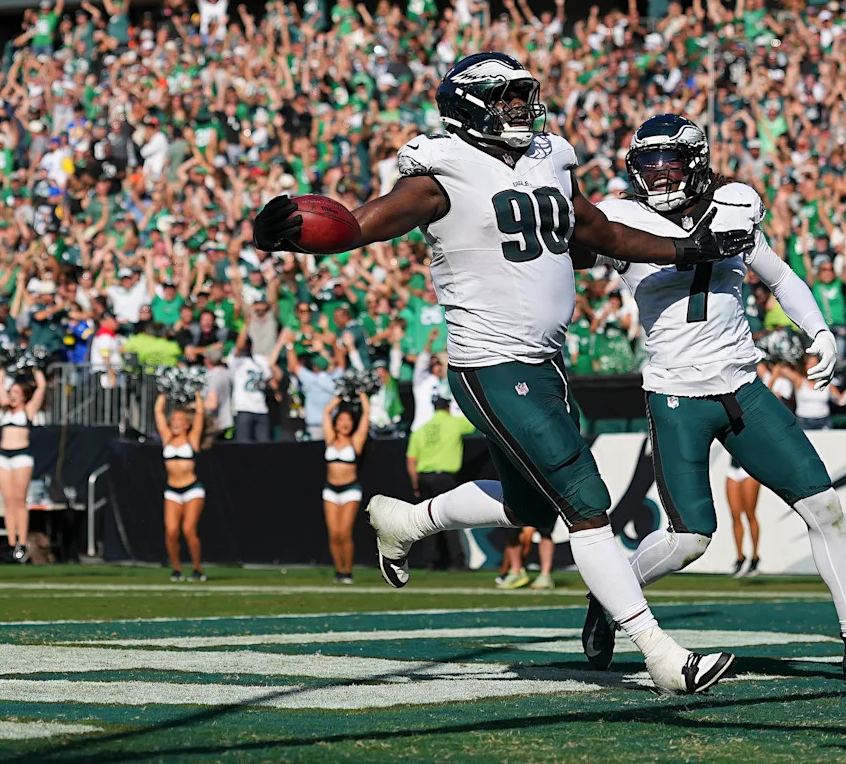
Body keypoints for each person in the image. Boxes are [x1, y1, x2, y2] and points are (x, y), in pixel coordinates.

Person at [252, 52, 752, 694]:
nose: (518, 105)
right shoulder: (440, 171)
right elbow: (360, 225)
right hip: (490, 363)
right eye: (502, 95)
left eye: (521, 92)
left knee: (527, 506)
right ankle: (661, 654)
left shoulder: (550, 156)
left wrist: (687, 248)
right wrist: (298, 233)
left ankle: (407, 522)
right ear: (466, 105)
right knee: (586, 503)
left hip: (544, 363)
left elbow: (601, 234)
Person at [582, 114, 846, 687]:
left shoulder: (734, 206)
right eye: (647, 165)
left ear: (696, 163)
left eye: (669, 163)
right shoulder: (622, 218)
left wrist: (820, 330)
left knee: (824, 507)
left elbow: (781, 277)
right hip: (676, 394)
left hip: (743, 387)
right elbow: (568, 253)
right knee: (690, 538)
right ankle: (610, 592)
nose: (658, 175)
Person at [406, 395, 476, 574]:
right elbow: (475, 423)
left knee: (428, 521)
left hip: (423, 477)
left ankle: (431, 562)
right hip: (444, 478)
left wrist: (415, 484)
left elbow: (411, 459)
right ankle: (457, 562)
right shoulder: (454, 423)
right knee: (450, 519)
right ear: (448, 409)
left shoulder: (421, 430)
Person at [0, 367, 47, 564]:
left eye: (17, 392)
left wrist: (34, 368)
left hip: (21, 456)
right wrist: (2, 369)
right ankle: (11, 543)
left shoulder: (28, 410)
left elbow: (41, 386)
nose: (12, 395)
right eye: (11, 392)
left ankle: (22, 543)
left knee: (19, 501)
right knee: (8, 502)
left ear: (24, 396)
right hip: (3, 456)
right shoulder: (5, 410)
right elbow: (0, 385)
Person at [155, 393, 207, 582]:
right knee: (171, 531)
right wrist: (163, 392)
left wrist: (198, 393)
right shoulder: (167, 438)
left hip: (192, 489)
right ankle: (176, 569)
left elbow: (200, 414)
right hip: (172, 491)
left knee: (189, 529)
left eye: (180, 420)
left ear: (187, 424)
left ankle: (197, 568)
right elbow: (158, 412)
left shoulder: (192, 439)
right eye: (174, 419)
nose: (176, 422)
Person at [322, 394, 370, 584]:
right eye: (341, 420)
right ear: (335, 424)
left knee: (345, 533)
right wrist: (339, 396)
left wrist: (362, 397)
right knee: (334, 534)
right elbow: (326, 413)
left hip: (350, 490)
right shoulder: (330, 439)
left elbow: (366, 416)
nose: (345, 423)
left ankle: (348, 571)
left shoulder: (355, 441)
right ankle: (339, 570)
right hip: (330, 490)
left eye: (348, 420)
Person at [228, 331, 277, 443]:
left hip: (261, 408)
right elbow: (239, 347)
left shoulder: (259, 360)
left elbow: (270, 377)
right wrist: (246, 325)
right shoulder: (236, 361)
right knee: (244, 446)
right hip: (243, 409)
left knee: (265, 446)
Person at [724, 458, 760, 578]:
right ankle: (740, 558)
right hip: (733, 468)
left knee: (750, 514)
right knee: (735, 514)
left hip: (750, 468)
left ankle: (755, 557)